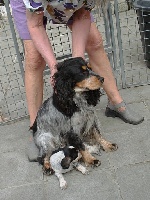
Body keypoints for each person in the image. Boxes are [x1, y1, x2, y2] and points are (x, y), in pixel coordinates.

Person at [10, 0, 144, 161]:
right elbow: (35, 25)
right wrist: (54, 68)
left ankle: (115, 103)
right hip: (32, 8)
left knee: (94, 42)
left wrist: (78, 61)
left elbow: (82, 15)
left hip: (68, 4)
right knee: (34, 58)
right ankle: (36, 129)